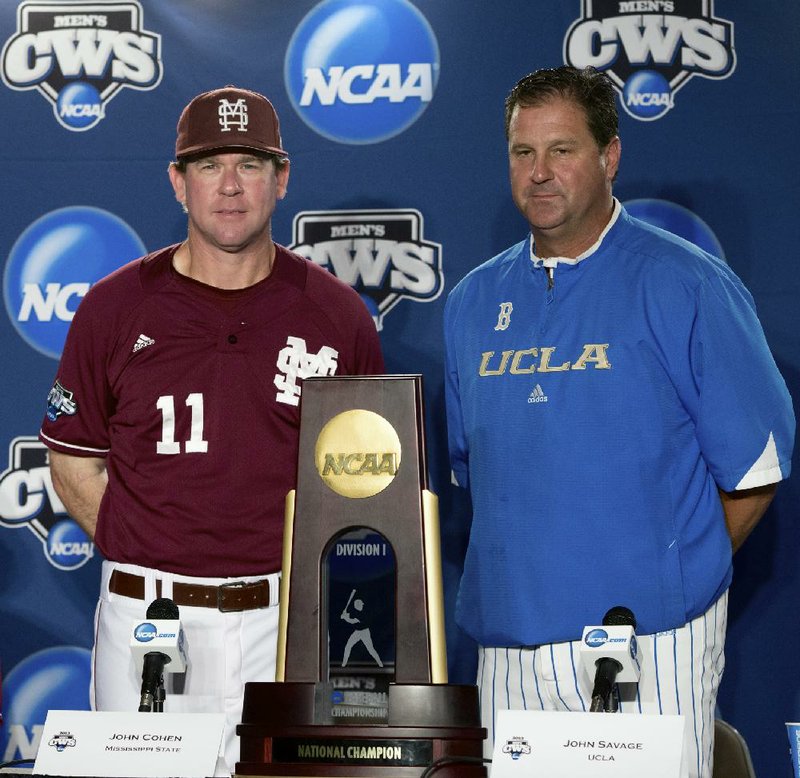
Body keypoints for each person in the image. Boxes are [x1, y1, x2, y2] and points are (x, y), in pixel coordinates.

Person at [443, 66, 794, 778]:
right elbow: (473, 475)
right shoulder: (474, 303)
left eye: (562, 150)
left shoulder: (684, 281)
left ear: (610, 156)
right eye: (522, 152)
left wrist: (670, 568)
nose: (539, 173)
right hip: (509, 653)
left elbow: (756, 470)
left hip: (648, 645)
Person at [39, 86, 384, 774]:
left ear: (281, 178)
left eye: (250, 164)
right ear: (178, 181)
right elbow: (73, 460)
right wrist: (149, 543)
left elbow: (369, 488)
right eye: (208, 165)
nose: (229, 187)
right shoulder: (113, 308)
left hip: (287, 620)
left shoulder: (338, 316)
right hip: (149, 619)